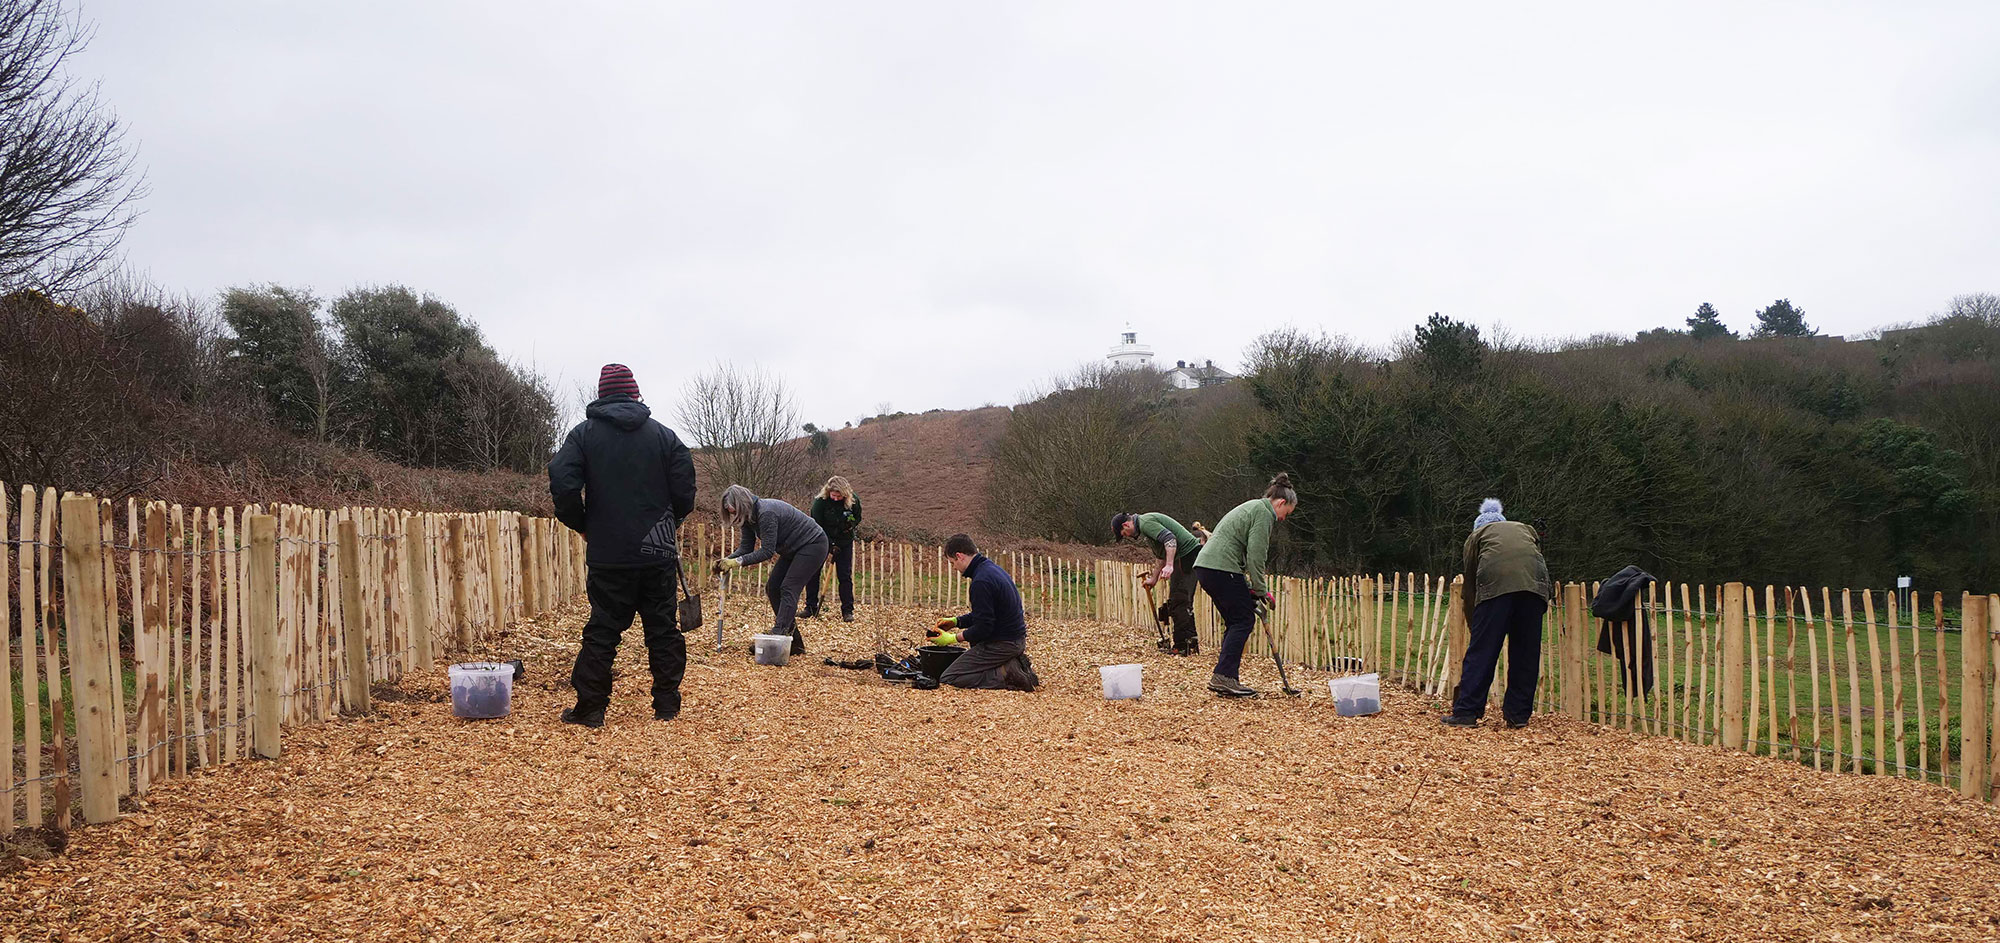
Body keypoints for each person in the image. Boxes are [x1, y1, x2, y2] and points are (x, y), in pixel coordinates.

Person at [548, 363, 698, 728]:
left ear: (602, 395)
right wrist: (669, 523)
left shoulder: (583, 436)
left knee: (603, 629)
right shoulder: (664, 437)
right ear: (635, 393)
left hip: (609, 552)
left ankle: (591, 709)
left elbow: (563, 483)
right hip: (657, 550)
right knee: (662, 628)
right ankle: (666, 707)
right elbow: (685, 492)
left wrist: (583, 525)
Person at [1442, 498, 1552, 729]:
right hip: (1534, 589)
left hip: (1496, 589)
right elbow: (1536, 560)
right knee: (1526, 653)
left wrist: (1475, 623)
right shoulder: (1525, 529)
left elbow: (1471, 584)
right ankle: (1518, 715)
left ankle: (1466, 712)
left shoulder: (1476, 537)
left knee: (1483, 651)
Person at [1192, 473, 1297, 697]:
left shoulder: (1252, 506)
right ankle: (1224, 677)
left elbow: (1238, 553)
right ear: (1280, 503)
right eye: (1286, 513)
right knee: (1243, 619)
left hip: (1207, 567)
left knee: (1235, 620)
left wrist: (1248, 587)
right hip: (1221, 568)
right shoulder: (1264, 513)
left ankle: (1225, 677)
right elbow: (1256, 557)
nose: (1283, 519)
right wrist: (1260, 590)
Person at [714, 484, 828, 655]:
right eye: (730, 512)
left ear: (742, 504)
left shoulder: (766, 513)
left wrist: (737, 562)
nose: (732, 514)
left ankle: (778, 636)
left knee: (789, 587)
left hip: (813, 544)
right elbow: (746, 548)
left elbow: (767, 551)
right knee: (773, 587)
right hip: (792, 549)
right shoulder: (748, 517)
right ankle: (794, 642)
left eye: (733, 510)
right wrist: (726, 560)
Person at [925, 534, 1039, 691]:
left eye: (952, 563)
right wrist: (956, 622)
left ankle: (1007, 675)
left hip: (1003, 644)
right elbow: (985, 615)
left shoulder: (981, 582)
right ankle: (1010, 664)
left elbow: (983, 628)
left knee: (949, 677)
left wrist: (951, 638)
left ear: (959, 556)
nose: (954, 568)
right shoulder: (990, 569)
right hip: (1014, 640)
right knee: (970, 659)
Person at [1112, 511, 1203, 655]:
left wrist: (1170, 565)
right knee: (1180, 602)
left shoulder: (1146, 523)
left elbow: (1170, 539)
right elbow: (1161, 555)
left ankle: (1183, 647)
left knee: (1179, 601)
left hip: (1188, 555)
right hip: (1185, 556)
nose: (1126, 536)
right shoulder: (1146, 528)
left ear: (1126, 524)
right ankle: (1189, 644)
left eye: (1124, 533)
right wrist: (1154, 578)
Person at [803, 476, 861, 622]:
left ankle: (847, 611)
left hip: (844, 540)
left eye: (839, 496)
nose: (835, 499)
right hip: (821, 538)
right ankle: (810, 607)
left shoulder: (853, 501)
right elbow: (816, 526)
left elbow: (857, 517)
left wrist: (850, 525)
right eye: (833, 495)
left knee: (844, 575)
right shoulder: (820, 503)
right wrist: (830, 544)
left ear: (845, 495)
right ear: (828, 492)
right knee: (813, 571)